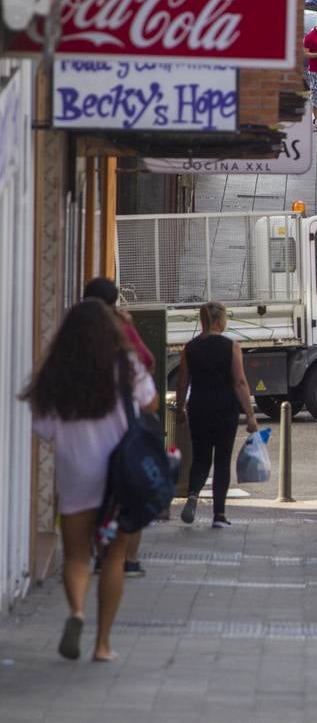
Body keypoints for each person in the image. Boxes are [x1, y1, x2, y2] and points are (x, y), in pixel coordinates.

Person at [24, 299, 158, 662]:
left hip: (75, 476)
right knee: (113, 558)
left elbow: (43, 427)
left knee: (77, 557)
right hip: (118, 478)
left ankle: (77, 613)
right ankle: (102, 644)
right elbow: (151, 403)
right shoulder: (125, 366)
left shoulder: (57, 371)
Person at [82, 278, 151, 579]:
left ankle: (100, 555)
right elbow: (146, 363)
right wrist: (130, 328)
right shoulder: (120, 331)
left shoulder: (77, 332)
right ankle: (129, 560)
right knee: (130, 494)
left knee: (97, 495)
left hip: (87, 429)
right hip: (123, 428)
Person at [175, 302, 259, 529]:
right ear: (221, 321)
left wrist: (181, 408)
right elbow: (240, 382)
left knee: (201, 458)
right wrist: (250, 415)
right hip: (225, 409)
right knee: (222, 460)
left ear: (202, 321)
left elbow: (182, 383)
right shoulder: (231, 347)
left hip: (199, 409)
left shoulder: (189, 348)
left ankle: (193, 495)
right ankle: (219, 515)